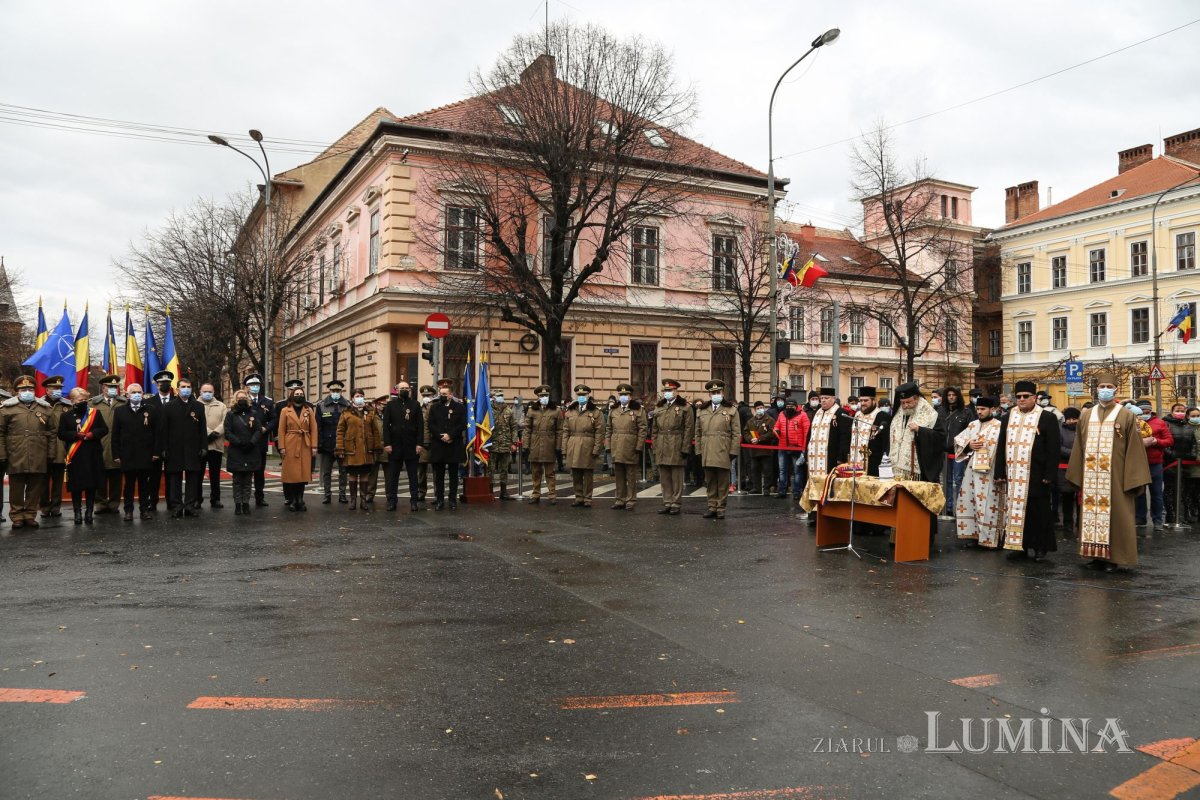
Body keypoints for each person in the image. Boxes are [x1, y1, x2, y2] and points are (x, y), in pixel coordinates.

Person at [1067, 372, 1151, 572]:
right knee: (1090, 516)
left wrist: (1132, 478)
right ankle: (1094, 556)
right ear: (1096, 389)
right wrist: (1076, 473)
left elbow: (1135, 448)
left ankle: (1114, 558)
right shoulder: (1086, 415)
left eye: (1108, 386)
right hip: (1091, 477)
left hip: (1116, 477)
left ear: (1115, 389)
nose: (1105, 389)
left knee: (1118, 517)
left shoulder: (1126, 415)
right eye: (1101, 386)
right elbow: (1079, 445)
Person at [994, 381, 1061, 562]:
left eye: (1025, 396)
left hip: (1037, 474)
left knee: (1038, 512)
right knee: (1016, 510)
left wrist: (1049, 474)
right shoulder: (1008, 417)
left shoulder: (1047, 418)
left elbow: (1054, 449)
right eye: (1018, 396)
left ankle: (1040, 547)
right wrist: (999, 471)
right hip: (1014, 474)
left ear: (1034, 398)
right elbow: (1001, 445)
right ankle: (1019, 547)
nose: (1021, 400)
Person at [1, 376, 54, 529]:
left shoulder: (44, 408)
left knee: (35, 486)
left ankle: (30, 514)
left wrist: (50, 453)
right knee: (16, 487)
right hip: (15, 453)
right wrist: (2, 454)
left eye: (30, 389)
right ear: (16, 391)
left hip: (38, 453)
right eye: (23, 389)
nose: (27, 392)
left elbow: (51, 433)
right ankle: (17, 516)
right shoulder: (6, 409)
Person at [952, 397, 1005, 548]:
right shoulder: (972, 425)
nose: (980, 412)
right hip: (972, 471)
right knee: (972, 500)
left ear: (992, 410)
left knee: (989, 504)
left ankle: (991, 539)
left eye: (983, 409)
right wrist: (969, 445)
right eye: (978, 409)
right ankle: (975, 535)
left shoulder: (999, 426)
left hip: (990, 471)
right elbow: (958, 440)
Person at [57, 387, 108, 525]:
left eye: (85, 399)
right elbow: (61, 433)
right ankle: (77, 512)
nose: (84, 402)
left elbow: (104, 429)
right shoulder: (66, 416)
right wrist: (74, 435)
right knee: (76, 486)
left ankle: (89, 512)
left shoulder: (95, 413)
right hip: (76, 455)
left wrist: (93, 434)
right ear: (72, 401)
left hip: (92, 454)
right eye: (80, 400)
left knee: (91, 485)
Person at [111, 382, 160, 520]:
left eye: (139, 392)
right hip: (127, 454)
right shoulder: (120, 411)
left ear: (143, 394)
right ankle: (128, 510)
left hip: (146, 453)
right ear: (127, 395)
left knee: (144, 484)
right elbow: (115, 434)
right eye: (133, 392)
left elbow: (157, 433)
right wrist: (116, 454)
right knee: (129, 485)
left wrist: (156, 452)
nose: (137, 395)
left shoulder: (151, 410)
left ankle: (144, 509)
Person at [161, 377, 207, 519]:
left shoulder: (198, 406)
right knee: (174, 479)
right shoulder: (169, 406)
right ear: (177, 389)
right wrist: (164, 448)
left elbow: (202, 429)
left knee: (192, 479)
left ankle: (189, 506)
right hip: (174, 449)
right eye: (183, 387)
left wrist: (204, 446)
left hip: (193, 449)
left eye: (188, 386)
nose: (186, 389)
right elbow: (164, 430)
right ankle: (176, 506)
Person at [804, 387, 853, 520]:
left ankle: (828, 515)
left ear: (833, 398)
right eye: (822, 398)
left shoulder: (841, 413)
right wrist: (806, 451)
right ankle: (814, 514)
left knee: (829, 486)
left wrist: (841, 458)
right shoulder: (817, 413)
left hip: (830, 459)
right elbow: (810, 434)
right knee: (814, 484)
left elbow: (845, 438)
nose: (823, 401)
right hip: (814, 460)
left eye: (826, 398)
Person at [694, 380, 740, 520]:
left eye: (718, 392)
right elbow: (698, 432)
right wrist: (698, 449)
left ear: (722, 393)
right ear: (709, 394)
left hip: (723, 449)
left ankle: (721, 507)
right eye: (713, 393)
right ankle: (712, 506)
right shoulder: (702, 410)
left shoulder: (731, 410)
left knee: (722, 481)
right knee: (710, 481)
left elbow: (736, 433)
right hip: (707, 450)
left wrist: (733, 451)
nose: (715, 395)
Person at [335, 388, 383, 510]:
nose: (359, 397)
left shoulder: (370, 412)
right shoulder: (346, 412)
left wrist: (377, 447)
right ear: (352, 398)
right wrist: (340, 448)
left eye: (361, 395)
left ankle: (363, 500)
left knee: (364, 475)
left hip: (367, 450)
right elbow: (340, 431)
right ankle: (353, 500)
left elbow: (376, 431)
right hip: (351, 449)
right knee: (352, 474)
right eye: (357, 395)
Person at [889, 383, 946, 483]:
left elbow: (940, 437)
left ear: (917, 398)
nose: (906, 406)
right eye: (902, 403)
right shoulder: (898, 414)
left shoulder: (930, 414)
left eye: (908, 402)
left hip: (920, 470)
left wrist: (920, 430)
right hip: (897, 469)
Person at [651, 379, 693, 515]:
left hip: (677, 442)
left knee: (676, 476)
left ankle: (676, 502)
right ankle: (667, 502)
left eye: (670, 390)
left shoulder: (685, 407)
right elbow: (655, 429)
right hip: (662, 443)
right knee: (665, 476)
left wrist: (685, 447)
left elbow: (688, 429)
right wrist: (655, 444)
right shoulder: (659, 407)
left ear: (676, 391)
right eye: (666, 391)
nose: (667, 393)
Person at [382, 381, 424, 512]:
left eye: (407, 388)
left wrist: (419, 444)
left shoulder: (415, 405)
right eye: (402, 388)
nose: (404, 390)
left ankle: (414, 501)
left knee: (413, 476)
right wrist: (387, 443)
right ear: (397, 390)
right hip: (394, 446)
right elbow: (385, 426)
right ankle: (392, 501)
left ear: (410, 390)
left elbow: (420, 426)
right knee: (393, 476)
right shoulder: (390, 405)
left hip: (412, 446)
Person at [426, 378, 466, 510]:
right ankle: (439, 500)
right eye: (440, 393)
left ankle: (452, 499)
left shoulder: (459, 407)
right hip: (439, 444)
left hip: (454, 444)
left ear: (450, 395)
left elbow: (462, 424)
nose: (442, 396)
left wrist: (450, 435)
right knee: (439, 475)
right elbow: (431, 424)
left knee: (454, 474)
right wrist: (441, 435)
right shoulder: (434, 407)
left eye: (444, 394)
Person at [277, 379, 318, 511]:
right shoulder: (285, 410)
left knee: (303, 474)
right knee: (292, 474)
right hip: (290, 444)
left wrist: (314, 446)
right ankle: (293, 500)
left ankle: (301, 499)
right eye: (296, 394)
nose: (299, 396)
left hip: (305, 443)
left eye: (301, 394)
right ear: (292, 395)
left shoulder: (309, 409)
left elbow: (314, 429)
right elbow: (281, 429)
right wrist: (282, 447)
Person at [606, 383, 648, 510]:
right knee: (619, 475)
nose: (623, 397)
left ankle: (630, 499)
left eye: (626, 394)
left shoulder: (638, 410)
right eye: (621, 394)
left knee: (631, 475)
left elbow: (643, 429)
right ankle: (620, 499)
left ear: (630, 396)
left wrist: (639, 446)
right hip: (617, 445)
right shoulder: (613, 410)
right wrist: (608, 445)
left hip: (631, 445)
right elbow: (608, 429)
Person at [223, 388, 264, 515]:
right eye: (239, 398)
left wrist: (252, 442)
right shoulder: (231, 415)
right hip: (237, 451)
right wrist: (239, 442)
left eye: (244, 398)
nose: (242, 400)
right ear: (235, 400)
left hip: (251, 450)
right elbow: (227, 432)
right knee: (237, 480)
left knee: (247, 480)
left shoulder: (253, 413)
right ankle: (237, 504)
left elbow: (258, 430)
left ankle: (246, 503)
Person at [1134, 398, 1173, 531]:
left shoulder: (1159, 423)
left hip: (1155, 462)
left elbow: (1169, 441)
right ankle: (1140, 517)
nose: (1145, 413)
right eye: (1142, 411)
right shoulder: (1132, 422)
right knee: (1139, 492)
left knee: (1156, 493)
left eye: (1147, 410)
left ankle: (1157, 519)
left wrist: (1156, 441)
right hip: (1138, 462)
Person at [563, 384, 604, 508]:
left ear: (588, 395)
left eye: (584, 395)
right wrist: (564, 448)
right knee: (575, 473)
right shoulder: (570, 411)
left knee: (587, 474)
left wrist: (597, 448)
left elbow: (600, 432)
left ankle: (587, 498)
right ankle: (578, 497)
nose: (581, 397)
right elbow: (565, 431)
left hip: (588, 444)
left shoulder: (595, 412)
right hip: (573, 444)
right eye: (579, 395)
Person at [89, 374, 125, 514]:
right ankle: (101, 503)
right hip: (99, 444)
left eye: (115, 387)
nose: (113, 389)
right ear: (103, 388)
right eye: (110, 387)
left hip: (118, 444)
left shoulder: (123, 403)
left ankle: (114, 503)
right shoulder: (93, 403)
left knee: (116, 476)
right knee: (100, 476)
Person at [523, 385, 562, 505]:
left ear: (549, 396)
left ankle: (552, 495)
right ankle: (535, 494)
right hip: (535, 443)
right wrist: (526, 445)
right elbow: (527, 429)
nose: (544, 397)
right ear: (538, 397)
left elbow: (560, 430)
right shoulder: (532, 410)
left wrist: (558, 446)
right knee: (536, 471)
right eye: (541, 396)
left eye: (546, 395)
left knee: (550, 472)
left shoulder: (556, 410)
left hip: (549, 443)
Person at [39, 375, 70, 520]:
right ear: (47, 389)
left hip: (60, 447)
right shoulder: (39, 404)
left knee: (58, 480)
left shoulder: (67, 405)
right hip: (42, 448)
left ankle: (56, 507)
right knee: (43, 481)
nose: (57, 390)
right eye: (54, 388)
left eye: (59, 388)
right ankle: (44, 507)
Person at [144, 369, 176, 511]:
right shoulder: (149, 402)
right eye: (162, 383)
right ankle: (153, 501)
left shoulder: (177, 401)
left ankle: (171, 501)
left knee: (172, 475)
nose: (165, 385)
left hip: (172, 444)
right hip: (154, 444)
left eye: (167, 383)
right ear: (157, 385)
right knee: (154, 476)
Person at [316, 379, 350, 504]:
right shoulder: (321, 405)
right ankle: (327, 494)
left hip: (342, 444)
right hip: (326, 444)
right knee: (326, 472)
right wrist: (319, 444)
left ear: (341, 391)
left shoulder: (347, 405)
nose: (335, 392)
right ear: (329, 391)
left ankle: (342, 494)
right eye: (333, 390)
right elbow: (318, 427)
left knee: (343, 471)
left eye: (338, 390)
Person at [243, 372, 274, 508]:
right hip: (247, 440)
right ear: (247, 387)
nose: (255, 387)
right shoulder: (243, 400)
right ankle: (244, 498)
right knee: (246, 470)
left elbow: (274, 419)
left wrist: (266, 428)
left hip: (261, 441)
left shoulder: (267, 401)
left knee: (260, 471)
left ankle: (259, 497)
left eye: (257, 384)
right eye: (252, 385)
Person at [1163, 403, 1195, 525]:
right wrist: (1171, 454)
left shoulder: (1188, 426)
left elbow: (1193, 442)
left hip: (1186, 462)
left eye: (1182, 410)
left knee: (1183, 490)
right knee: (1170, 490)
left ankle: (1181, 516)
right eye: (1177, 410)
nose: (1180, 412)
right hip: (1170, 463)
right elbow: (1163, 442)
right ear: (1172, 412)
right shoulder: (1166, 424)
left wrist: (1191, 454)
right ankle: (1171, 515)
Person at [942, 387, 973, 514]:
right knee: (946, 480)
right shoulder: (940, 412)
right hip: (944, 451)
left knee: (959, 478)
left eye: (953, 395)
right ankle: (948, 507)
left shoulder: (966, 412)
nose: (951, 397)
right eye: (949, 395)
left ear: (958, 396)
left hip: (959, 450)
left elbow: (970, 431)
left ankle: (960, 507)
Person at [773, 397, 809, 500]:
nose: (789, 408)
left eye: (791, 406)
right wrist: (776, 431)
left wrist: (804, 448)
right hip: (783, 445)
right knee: (782, 470)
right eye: (787, 406)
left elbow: (807, 432)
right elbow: (776, 426)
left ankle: (797, 492)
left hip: (797, 447)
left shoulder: (803, 415)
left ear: (796, 406)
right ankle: (782, 491)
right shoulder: (782, 414)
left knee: (797, 470)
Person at [850, 387, 891, 477]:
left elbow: (886, 443)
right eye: (861, 401)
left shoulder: (883, 416)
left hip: (873, 464)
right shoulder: (857, 415)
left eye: (866, 400)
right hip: (855, 463)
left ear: (874, 401)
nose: (863, 403)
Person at [198, 382, 226, 509]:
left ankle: (216, 499)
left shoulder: (221, 406)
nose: (207, 393)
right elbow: (195, 421)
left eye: (210, 391)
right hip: (200, 445)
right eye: (205, 391)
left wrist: (216, 433)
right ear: (200, 392)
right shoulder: (195, 405)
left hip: (216, 444)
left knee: (215, 475)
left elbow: (225, 422)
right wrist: (208, 433)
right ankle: (197, 499)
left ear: (213, 392)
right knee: (198, 474)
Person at [488, 388, 518, 500]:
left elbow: (514, 427)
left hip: (505, 444)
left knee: (504, 469)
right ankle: (489, 492)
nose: (501, 397)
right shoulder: (488, 410)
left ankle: (503, 492)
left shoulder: (508, 410)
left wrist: (514, 442)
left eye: (502, 395)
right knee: (490, 470)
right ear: (493, 397)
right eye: (498, 395)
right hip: (492, 444)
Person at [743, 401, 777, 495]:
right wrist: (750, 439)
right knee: (755, 469)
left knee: (767, 470)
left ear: (764, 408)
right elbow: (745, 432)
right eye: (757, 408)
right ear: (754, 410)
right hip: (754, 450)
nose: (759, 410)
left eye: (761, 408)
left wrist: (760, 439)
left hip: (766, 449)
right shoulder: (750, 421)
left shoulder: (769, 420)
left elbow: (771, 433)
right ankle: (756, 487)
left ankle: (767, 488)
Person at [1058, 407, 1080, 536]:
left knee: (1080, 498)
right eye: (1069, 418)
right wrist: (1074, 453)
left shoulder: (1083, 430)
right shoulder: (1060, 430)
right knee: (1066, 497)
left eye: (1074, 418)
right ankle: (1067, 523)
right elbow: (1059, 447)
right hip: (1064, 468)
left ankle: (1080, 522)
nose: (1071, 421)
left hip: (1080, 468)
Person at [415, 385, 435, 502]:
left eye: (429, 396)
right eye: (424, 396)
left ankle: (438, 494)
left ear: (433, 396)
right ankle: (421, 492)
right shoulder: (418, 408)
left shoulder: (436, 407)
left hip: (435, 443)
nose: (426, 398)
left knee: (437, 470)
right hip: (421, 443)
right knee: (421, 470)